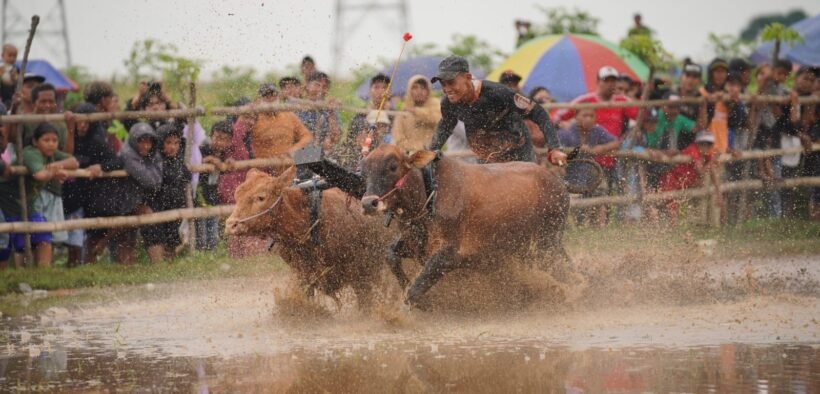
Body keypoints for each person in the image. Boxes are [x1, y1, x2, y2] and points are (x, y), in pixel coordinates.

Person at [429, 55, 566, 165]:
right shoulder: (449, 103)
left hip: (518, 152)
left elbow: (538, 113)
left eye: (451, 82)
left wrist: (554, 148)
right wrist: (432, 151)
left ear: (468, 77)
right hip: (486, 157)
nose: (447, 89)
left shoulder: (498, 92)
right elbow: (445, 126)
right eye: (443, 83)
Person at [85, 123, 162, 264]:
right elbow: (151, 181)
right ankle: (89, 266)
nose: (146, 146)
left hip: (133, 202)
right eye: (142, 141)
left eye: (149, 142)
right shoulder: (128, 155)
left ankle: (153, 267)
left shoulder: (152, 155)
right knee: (106, 236)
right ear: (134, 141)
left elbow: (156, 180)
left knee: (129, 239)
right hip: (115, 203)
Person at [11, 123, 79, 267]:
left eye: (54, 140)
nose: (51, 144)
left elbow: (74, 162)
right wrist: (56, 172)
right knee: (22, 242)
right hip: (11, 200)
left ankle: (43, 274)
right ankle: (22, 276)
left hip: (27, 201)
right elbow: (40, 175)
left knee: (43, 236)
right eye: (46, 140)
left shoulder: (52, 155)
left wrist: (56, 165)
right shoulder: (31, 153)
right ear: (35, 142)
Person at [61, 103, 114, 266]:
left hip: (86, 197)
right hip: (64, 193)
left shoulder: (96, 142)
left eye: (86, 122)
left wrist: (101, 166)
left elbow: (116, 160)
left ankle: (78, 270)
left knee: (77, 241)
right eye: (79, 122)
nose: (82, 126)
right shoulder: (63, 138)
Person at [558, 107, 620, 226]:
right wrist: (578, 150)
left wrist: (601, 148)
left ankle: (598, 225)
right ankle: (575, 225)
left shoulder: (596, 130)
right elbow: (559, 159)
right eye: (585, 115)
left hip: (590, 172)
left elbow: (616, 142)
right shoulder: (565, 133)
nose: (588, 119)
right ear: (576, 117)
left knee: (600, 194)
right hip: (570, 174)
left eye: (591, 116)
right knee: (574, 206)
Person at [143, 124, 191, 263]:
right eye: (168, 142)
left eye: (176, 143)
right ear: (160, 142)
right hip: (155, 211)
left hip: (174, 211)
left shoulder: (177, 161)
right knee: (157, 255)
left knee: (171, 252)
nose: (173, 147)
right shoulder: (152, 161)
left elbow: (186, 177)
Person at [658, 131, 723, 224]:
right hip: (671, 182)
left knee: (674, 213)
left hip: (681, 185)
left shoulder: (706, 155)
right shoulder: (693, 150)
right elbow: (700, 171)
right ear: (698, 143)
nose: (706, 146)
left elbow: (711, 171)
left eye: (709, 144)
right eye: (703, 143)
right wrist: (713, 161)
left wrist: (718, 193)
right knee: (666, 210)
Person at [249, 83, 313, 170]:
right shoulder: (253, 118)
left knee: (317, 154)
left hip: (289, 162)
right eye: (267, 97)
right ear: (260, 99)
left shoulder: (288, 114)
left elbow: (307, 136)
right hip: (265, 166)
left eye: (273, 96)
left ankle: (321, 179)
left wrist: (295, 149)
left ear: (278, 98)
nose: (271, 99)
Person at [196, 121, 234, 250]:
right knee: (200, 227)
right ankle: (200, 251)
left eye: (224, 140)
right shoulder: (203, 149)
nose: (220, 142)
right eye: (217, 138)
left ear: (229, 142)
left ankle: (211, 250)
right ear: (211, 136)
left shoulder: (224, 154)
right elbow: (197, 161)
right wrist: (210, 160)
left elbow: (225, 166)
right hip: (199, 193)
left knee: (212, 225)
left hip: (212, 194)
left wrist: (224, 163)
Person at [391, 75, 441, 152]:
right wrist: (417, 148)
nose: (419, 91)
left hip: (432, 153)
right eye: (415, 87)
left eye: (423, 88)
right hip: (409, 155)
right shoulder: (404, 111)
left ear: (428, 91)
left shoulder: (435, 105)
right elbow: (398, 138)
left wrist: (416, 111)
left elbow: (437, 120)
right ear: (409, 90)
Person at [297, 72, 342, 153]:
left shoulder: (329, 110)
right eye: (317, 85)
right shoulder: (296, 108)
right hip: (299, 154)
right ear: (307, 86)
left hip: (322, 155)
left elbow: (336, 139)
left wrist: (331, 114)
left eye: (324, 87)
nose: (320, 89)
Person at [0, 44, 18, 108]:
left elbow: (19, 87)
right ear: (2, 55)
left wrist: (15, 80)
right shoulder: (1, 69)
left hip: (12, 100)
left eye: (14, 56)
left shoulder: (17, 70)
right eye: (10, 55)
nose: (12, 58)